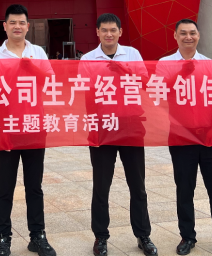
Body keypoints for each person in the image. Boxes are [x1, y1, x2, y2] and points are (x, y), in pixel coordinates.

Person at [159, 20, 212, 256]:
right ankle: (187, 237)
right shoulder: (165, 64)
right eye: (183, 33)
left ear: (198, 35)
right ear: (175, 36)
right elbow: (159, 94)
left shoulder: (210, 65)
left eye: (192, 33)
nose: (188, 37)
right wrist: (179, 75)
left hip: (211, 135)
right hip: (181, 136)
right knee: (185, 190)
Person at [80, 14, 157, 256]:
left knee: (138, 185)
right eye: (104, 30)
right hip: (102, 127)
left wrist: (124, 71)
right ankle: (101, 237)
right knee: (101, 186)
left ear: (120, 32)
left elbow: (145, 83)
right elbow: (84, 91)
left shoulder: (132, 54)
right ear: (97, 32)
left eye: (113, 30)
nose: (109, 34)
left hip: (131, 125)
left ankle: (143, 235)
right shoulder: (88, 59)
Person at [0, 4, 56, 256]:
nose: (17, 27)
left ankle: (37, 236)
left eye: (21, 23)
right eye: (12, 23)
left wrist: (31, 67)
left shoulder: (38, 52)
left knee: (34, 186)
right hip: (7, 127)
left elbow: (50, 81)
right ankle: (2, 238)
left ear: (28, 26)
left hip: (35, 126)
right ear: (4, 26)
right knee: (5, 186)